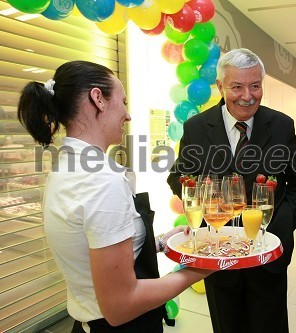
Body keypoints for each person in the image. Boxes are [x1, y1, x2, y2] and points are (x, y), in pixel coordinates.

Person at [17, 60, 211, 333]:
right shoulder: (100, 182)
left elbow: (95, 248)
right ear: (98, 99)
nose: (128, 115)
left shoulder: (66, 168)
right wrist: (201, 268)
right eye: (123, 101)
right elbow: (121, 305)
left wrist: (159, 242)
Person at [167, 48, 296, 333]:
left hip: (267, 252)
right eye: (237, 86)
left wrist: (281, 224)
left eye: (255, 85)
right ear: (220, 86)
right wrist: (206, 199)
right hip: (218, 253)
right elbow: (179, 177)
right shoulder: (197, 127)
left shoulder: (281, 125)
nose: (248, 95)